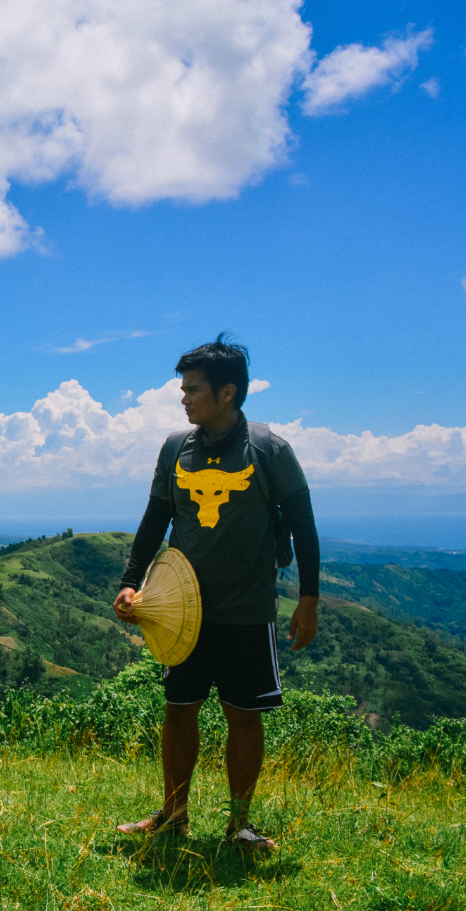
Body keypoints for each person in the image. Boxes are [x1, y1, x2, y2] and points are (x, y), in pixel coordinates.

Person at [113, 334, 320, 852]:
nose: (183, 397)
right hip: (179, 613)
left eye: (193, 389)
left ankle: (241, 826)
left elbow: (303, 527)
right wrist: (130, 583)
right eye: (183, 388)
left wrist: (309, 601)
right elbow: (154, 519)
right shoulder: (173, 448)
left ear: (227, 393)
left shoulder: (271, 450)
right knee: (178, 709)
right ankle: (174, 815)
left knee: (243, 716)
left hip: (248, 611)